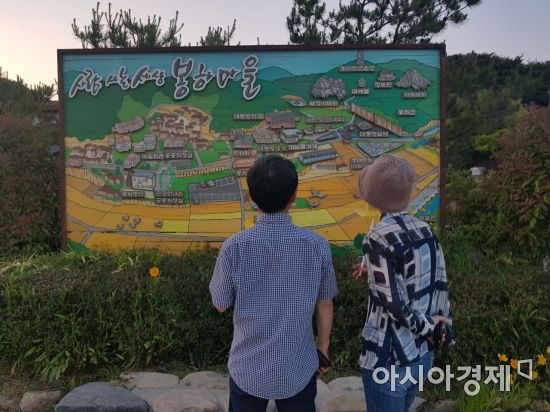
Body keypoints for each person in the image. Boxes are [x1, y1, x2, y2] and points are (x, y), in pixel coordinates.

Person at [209, 155, 338, 412]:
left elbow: (220, 304)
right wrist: (322, 347)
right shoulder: (317, 245)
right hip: (298, 365)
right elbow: (325, 302)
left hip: (248, 366)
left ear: (251, 198)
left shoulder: (234, 246)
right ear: (293, 197)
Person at [352, 154, 452, 412]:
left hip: (389, 359)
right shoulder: (425, 229)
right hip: (421, 355)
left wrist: (426, 325)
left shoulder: (377, 238)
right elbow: (437, 282)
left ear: (373, 196)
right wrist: (438, 326)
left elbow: (394, 305)